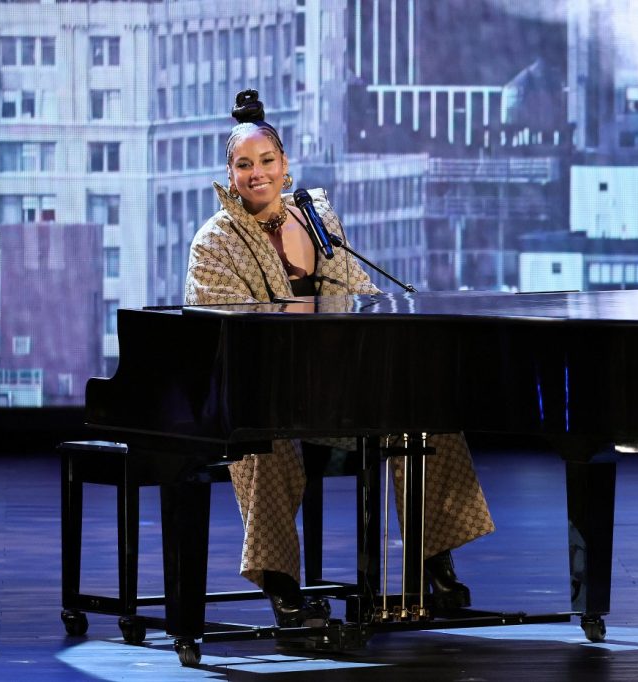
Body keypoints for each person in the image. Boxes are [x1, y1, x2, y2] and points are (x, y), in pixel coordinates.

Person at [185, 89, 496, 627]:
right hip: (256, 396)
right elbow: (219, 332)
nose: (257, 173)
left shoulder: (316, 217)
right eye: (243, 165)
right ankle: (283, 587)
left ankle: (433, 561)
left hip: (331, 388)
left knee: (425, 417)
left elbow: (357, 291)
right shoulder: (215, 242)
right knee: (266, 444)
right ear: (229, 175)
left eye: (267, 161)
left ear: (285, 166)